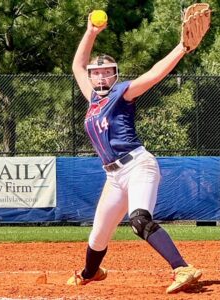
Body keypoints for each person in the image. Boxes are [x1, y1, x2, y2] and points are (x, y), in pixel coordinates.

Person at [66, 9, 208, 294]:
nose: (101, 76)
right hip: (113, 177)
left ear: (115, 75)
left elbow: (154, 74)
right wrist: (91, 33)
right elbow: (77, 66)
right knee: (98, 237)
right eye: (97, 73)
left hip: (138, 166)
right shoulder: (92, 100)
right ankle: (89, 273)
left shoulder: (122, 93)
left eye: (107, 72)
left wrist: (181, 48)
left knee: (139, 219)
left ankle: (183, 267)